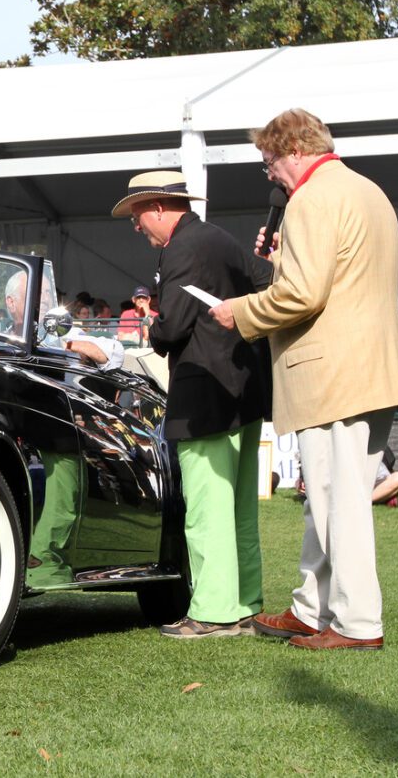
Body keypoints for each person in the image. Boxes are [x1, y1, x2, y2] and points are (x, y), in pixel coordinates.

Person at [209, 108, 398, 651]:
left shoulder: (311, 200)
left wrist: (242, 311)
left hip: (331, 373)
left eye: (269, 161)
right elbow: (337, 279)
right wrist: (280, 261)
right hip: (370, 366)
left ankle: (355, 624)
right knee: (326, 497)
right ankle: (311, 608)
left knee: (335, 502)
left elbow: (304, 296)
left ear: (295, 150)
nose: (269, 173)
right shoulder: (368, 191)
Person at [112, 169, 272, 639]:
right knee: (239, 506)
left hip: (203, 391)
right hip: (244, 389)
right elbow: (267, 280)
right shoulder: (219, 238)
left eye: (137, 215)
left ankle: (214, 611)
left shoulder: (181, 247)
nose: (136, 226)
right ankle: (244, 604)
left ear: (158, 207)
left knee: (206, 507)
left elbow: (174, 325)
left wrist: (153, 329)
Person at [4, 268, 123, 372]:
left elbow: (115, 352)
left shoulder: (60, 334)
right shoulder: (1, 338)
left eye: (48, 293)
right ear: (11, 302)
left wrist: (66, 346)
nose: (45, 299)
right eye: (37, 292)